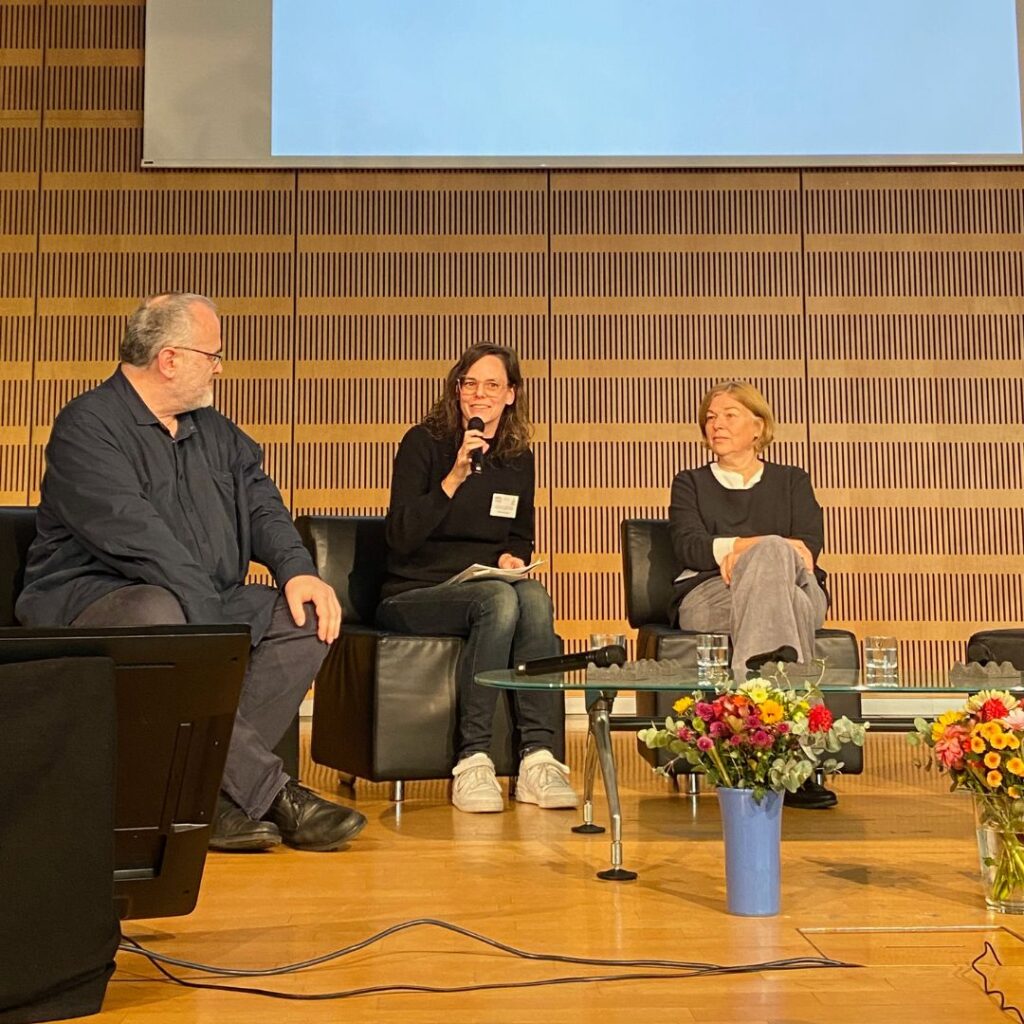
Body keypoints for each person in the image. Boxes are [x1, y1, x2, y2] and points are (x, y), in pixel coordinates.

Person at [16, 292, 366, 851]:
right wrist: (210, 628)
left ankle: (207, 801)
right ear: (170, 358)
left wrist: (298, 569)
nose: (220, 367)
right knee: (164, 612)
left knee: (301, 616)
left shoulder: (215, 431)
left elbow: (262, 505)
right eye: (213, 354)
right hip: (98, 601)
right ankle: (273, 795)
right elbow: (141, 541)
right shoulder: (88, 426)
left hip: (200, 597)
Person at [376, 343, 577, 814]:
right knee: (500, 602)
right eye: (471, 384)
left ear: (511, 395)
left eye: (492, 385)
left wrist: (512, 558)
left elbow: (520, 535)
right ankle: (473, 760)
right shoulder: (423, 443)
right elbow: (400, 537)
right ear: (457, 390)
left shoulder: (517, 457)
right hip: (414, 590)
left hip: (482, 584)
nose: (479, 395)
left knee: (533, 596)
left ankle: (538, 758)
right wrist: (452, 479)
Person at [668, 380, 836, 809]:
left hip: (796, 588)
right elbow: (689, 547)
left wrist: (736, 550)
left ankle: (751, 743)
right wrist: (763, 548)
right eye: (710, 417)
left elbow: (809, 548)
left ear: (758, 427)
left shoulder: (792, 481)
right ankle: (794, 757)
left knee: (773, 564)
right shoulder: (690, 482)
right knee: (775, 559)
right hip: (710, 595)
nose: (716, 425)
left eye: (729, 415)